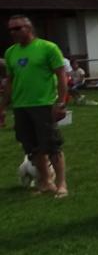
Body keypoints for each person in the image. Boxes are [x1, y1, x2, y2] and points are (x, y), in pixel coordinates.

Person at [1, 14, 70, 196]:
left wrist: (61, 102)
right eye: (10, 29)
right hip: (20, 106)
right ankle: (46, 182)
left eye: (17, 28)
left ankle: (61, 184)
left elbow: (61, 76)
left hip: (44, 104)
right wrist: (2, 107)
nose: (13, 32)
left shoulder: (48, 48)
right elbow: (10, 82)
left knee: (52, 145)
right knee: (32, 147)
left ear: (29, 28)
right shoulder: (11, 52)